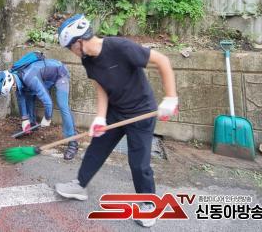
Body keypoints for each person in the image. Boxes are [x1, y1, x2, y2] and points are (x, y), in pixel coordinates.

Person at [54, 14, 179, 228]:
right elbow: (100, 86)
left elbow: (162, 61)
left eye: (70, 47)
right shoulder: (87, 59)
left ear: (79, 41)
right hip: (115, 111)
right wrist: (100, 116)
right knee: (96, 148)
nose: (71, 52)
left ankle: (149, 204)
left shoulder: (120, 47)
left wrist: (171, 97)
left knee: (138, 163)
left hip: (141, 111)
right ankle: (80, 185)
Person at [0, 58, 79, 160]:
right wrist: (25, 120)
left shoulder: (29, 78)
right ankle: (32, 125)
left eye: (12, 88)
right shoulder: (15, 76)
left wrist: (47, 118)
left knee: (63, 105)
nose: (13, 89)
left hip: (60, 73)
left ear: (12, 82)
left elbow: (48, 102)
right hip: (43, 76)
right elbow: (21, 98)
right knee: (27, 93)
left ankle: (73, 141)